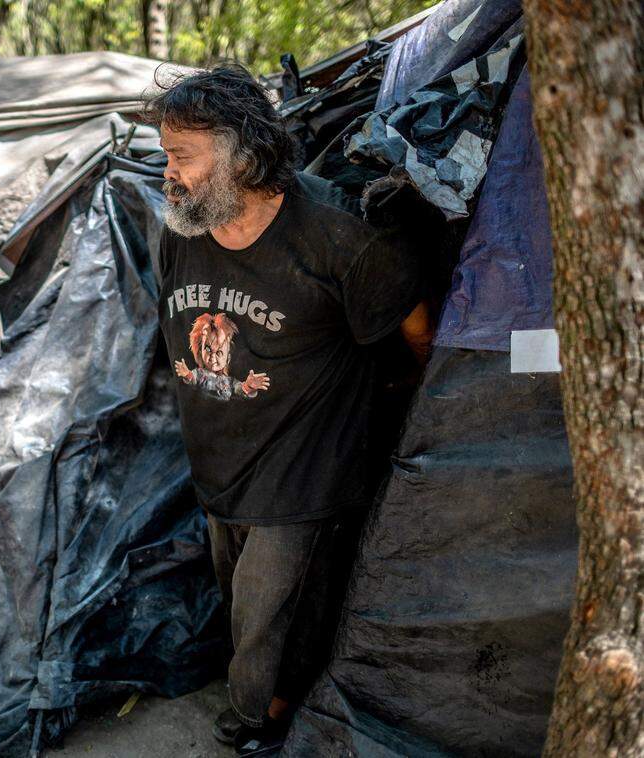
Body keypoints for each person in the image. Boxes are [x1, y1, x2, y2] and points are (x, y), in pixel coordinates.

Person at [143, 64, 432, 757]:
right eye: (165, 155)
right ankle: (260, 706)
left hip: (304, 481)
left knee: (277, 627)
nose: (168, 174)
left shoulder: (341, 237)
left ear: (240, 154)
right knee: (243, 612)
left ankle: (263, 726)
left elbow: (416, 337)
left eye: (182, 156)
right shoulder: (182, 234)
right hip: (218, 474)